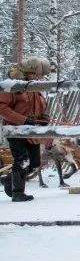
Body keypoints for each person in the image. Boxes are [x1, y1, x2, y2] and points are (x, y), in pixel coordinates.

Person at [0, 57, 52, 202]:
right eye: (37, 74)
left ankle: (9, 180)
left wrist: (43, 117)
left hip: (31, 130)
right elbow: (2, 107)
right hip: (15, 130)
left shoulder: (33, 86)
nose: (39, 77)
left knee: (34, 163)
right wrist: (23, 120)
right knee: (22, 160)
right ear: (29, 72)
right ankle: (17, 193)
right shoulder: (12, 85)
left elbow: (38, 105)